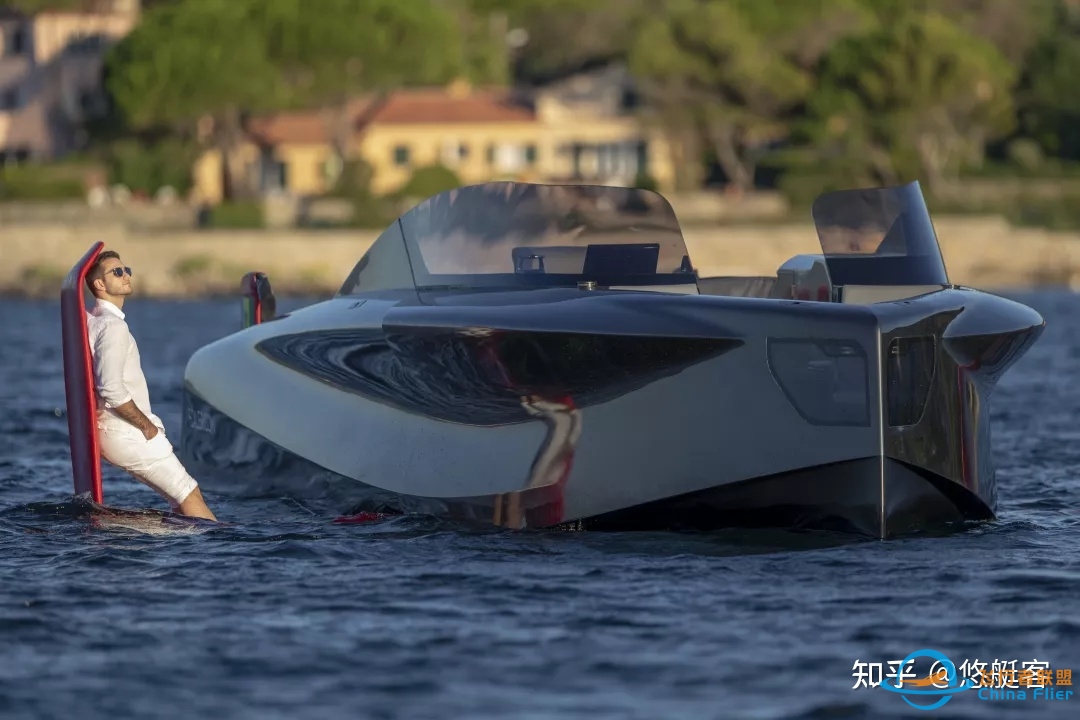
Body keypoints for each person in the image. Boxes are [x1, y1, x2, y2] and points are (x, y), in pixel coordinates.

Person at [85, 249, 217, 521]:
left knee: (179, 501)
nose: (126, 275)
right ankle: (215, 546)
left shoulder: (95, 320)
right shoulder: (112, 327)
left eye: (126, 270)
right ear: (99, 284)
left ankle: (137, 531)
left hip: (115, 430)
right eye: (117, 272)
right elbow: (110, 388)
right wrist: (147, 427)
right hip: (127, 432)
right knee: (189, 494)